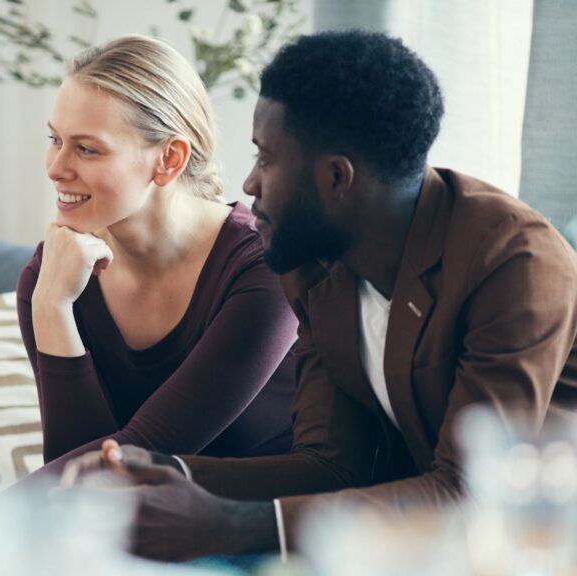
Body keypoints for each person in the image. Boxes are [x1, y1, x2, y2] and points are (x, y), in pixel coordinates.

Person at [61, 30, 577, 561]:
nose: (250, 183)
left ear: (336, 177)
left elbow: (472, 494)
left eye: (266, 159)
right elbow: (332, 464)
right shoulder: (313, 264)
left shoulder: (515, 264)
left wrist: (234, 525)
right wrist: (172, 470)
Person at [17, 34, 299, 477]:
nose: (56, 167)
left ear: (169, 159)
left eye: (86, 148)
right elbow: (80, 485)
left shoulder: (264, 268)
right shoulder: (50, 277)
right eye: (55, 139)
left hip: (260, 532)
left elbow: (124, 466)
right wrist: (52, 309)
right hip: (129, 536)